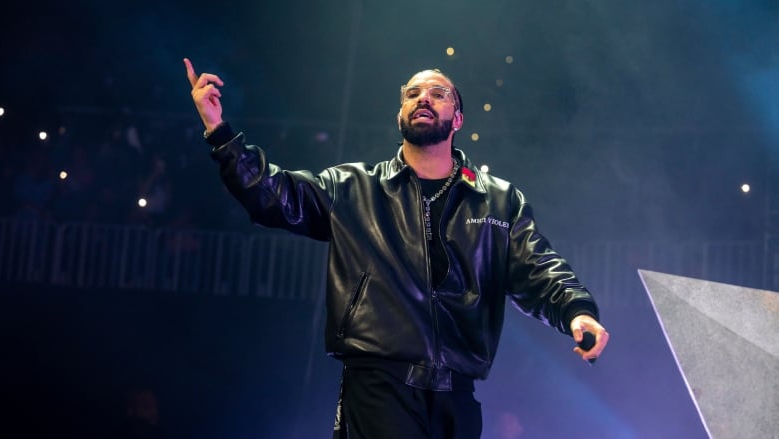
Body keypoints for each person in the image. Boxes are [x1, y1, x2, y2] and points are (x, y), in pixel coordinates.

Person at [184, 58, 610, 439]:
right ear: (400, 113)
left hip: (457, 394)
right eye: (413, 93)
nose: (423, 98)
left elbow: (536, 266)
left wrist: (577, 311)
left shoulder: (497, 200)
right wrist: (220, 132)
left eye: (437, 93)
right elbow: (275, 195)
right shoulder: (354, 187)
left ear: (457, 118)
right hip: (379, 386)